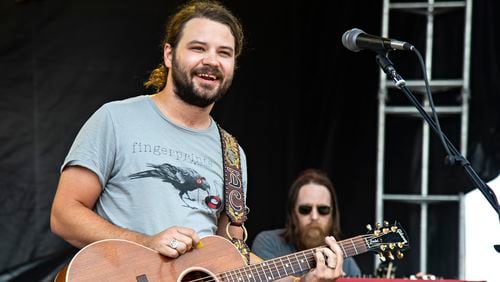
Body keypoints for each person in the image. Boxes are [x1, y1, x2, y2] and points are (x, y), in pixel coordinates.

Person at [50, 1, 344, 280]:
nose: (211, 61)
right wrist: (145, 242)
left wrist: (299, 280)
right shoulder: (115, 119)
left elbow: (232, 257)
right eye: (198, 48)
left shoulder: (232, 154)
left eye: (224, 53)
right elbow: (64, 215)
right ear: (169, 54)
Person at [252, 169, 362, 278]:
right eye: (305, 209)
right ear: (293, 213)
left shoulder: (346, 263)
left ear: (332, 215)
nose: (314, 217)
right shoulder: (268, 243)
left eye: (323, 210)